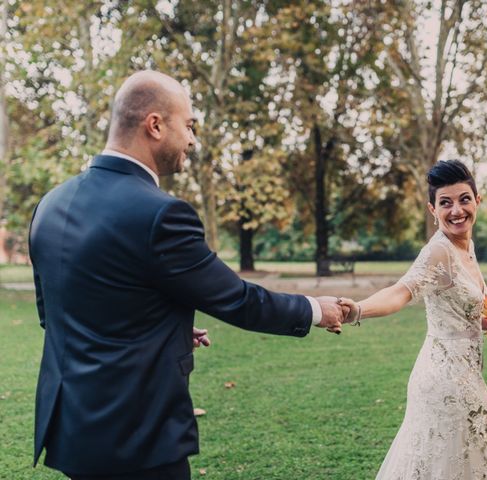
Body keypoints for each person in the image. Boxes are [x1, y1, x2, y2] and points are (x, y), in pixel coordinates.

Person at [29, 70, 348, 480]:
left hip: (72, 429)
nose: (194, 140)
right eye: (190, 125)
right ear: (156, 125)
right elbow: (237, 300)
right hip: (136, 435)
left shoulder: (50, 205)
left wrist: (166, 330)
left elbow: (59, 313)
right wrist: (315, 310)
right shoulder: (160, 213)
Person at [340, 160, 487, 479]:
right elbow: (401, 292)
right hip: (444, 381)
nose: (456, 210)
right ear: (432, 210)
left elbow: (478, 316)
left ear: (478, 200)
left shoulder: (466, 248)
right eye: (445, 203)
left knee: (472, 458)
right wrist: (357, 310)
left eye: (464, 199)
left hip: (466, 376)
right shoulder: (438, 252)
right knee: (462, 460)